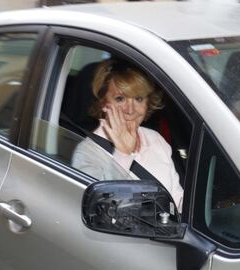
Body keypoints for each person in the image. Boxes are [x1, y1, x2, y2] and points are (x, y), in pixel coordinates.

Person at [72, 59, 183, 211]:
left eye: (138, 99)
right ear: (104, 103)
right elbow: (100, 210)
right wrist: (122, 154)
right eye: (120, 98)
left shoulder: (155, 139)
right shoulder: (88, 152)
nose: (130, 110)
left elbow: (177, 201)